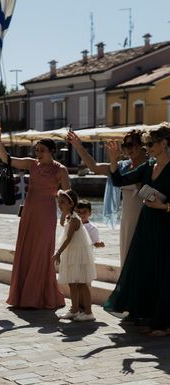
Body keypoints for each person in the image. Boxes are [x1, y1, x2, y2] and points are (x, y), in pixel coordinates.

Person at [0, 122, 71, 309]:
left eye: (42, 150)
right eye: (36, 150)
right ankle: (23, 296)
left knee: (42, 252)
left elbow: (68, 195)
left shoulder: (61, 170)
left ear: (52, 151)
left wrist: (66, 215)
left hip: (46, 213)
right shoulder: (31, 164)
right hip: (29, 212)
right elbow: (7, 159)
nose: (38, 153)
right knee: (26, 250)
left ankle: (38, 296)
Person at [104, 123, 170, 336]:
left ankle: (164, 323)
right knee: (146, 268)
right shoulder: (148, 167)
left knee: (164, 272)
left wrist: (164, 206)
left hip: (166, 226)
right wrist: (113, 159)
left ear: (164, 143)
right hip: (147, 224)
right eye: (146, 144)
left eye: (150, 144)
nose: (147, 148)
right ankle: (150, 316)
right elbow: (119, 180)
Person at [68, 129, 146, 264]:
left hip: (147, 216)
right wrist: (78, 146)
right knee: (128, 258)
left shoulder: (152, 166)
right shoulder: (121, 167)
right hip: (128, 219)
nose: (127, 149)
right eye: (124, 146)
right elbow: (94, 167)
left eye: (130, 145)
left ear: (141, 146)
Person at [54, 189, 97, 321]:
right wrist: (62, 214)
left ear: (71, 204)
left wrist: (58, 252)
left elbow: (68, 238)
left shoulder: (74, 219)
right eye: (58, 202)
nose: (60, 205)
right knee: (72, 282)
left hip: (77, 254)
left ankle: (89, 312)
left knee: (81, 283)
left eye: (63, 202)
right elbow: (62, 224)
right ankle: (74, 309)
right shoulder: (69, 217)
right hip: (72, 253)